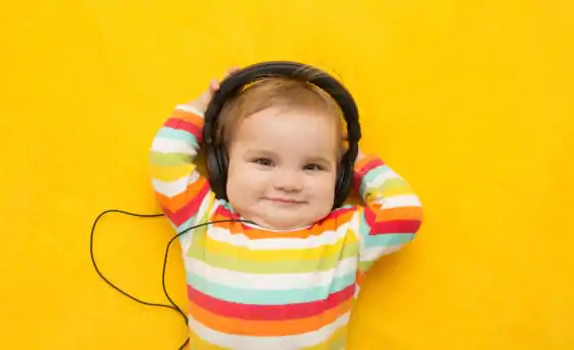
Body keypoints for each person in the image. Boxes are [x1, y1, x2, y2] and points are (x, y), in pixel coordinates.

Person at [148, 66, 423, 349]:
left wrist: (357, 160)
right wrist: (204, 106)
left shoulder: (346, 235)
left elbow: (403, 213)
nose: (289, 183)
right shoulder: (203, 219)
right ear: (223, 166)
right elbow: (166, 160)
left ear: (339, 177)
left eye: (313, 166)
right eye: (264, 161)